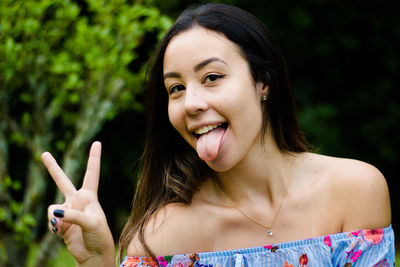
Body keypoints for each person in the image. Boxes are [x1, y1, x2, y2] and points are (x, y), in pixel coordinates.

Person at [42, 3, 395, 267]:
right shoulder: (160, 238)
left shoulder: (355, 190)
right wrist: (99, 263)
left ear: (263, 83)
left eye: (212, 77)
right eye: (176, 88)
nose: (191, 103)